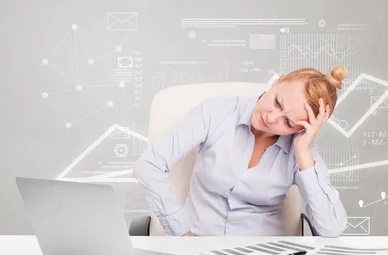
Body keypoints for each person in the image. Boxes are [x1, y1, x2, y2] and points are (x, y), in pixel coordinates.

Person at [133, 66, 348, 238]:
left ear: (301, 129)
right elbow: (148, 166)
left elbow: (331, 229)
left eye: (288, 122)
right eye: (277, 102)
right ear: (278, 81)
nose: (272, 118)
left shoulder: (302, 151)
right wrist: (181, 233)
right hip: (198, 250)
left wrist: (303, 153)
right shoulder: (217, 113)